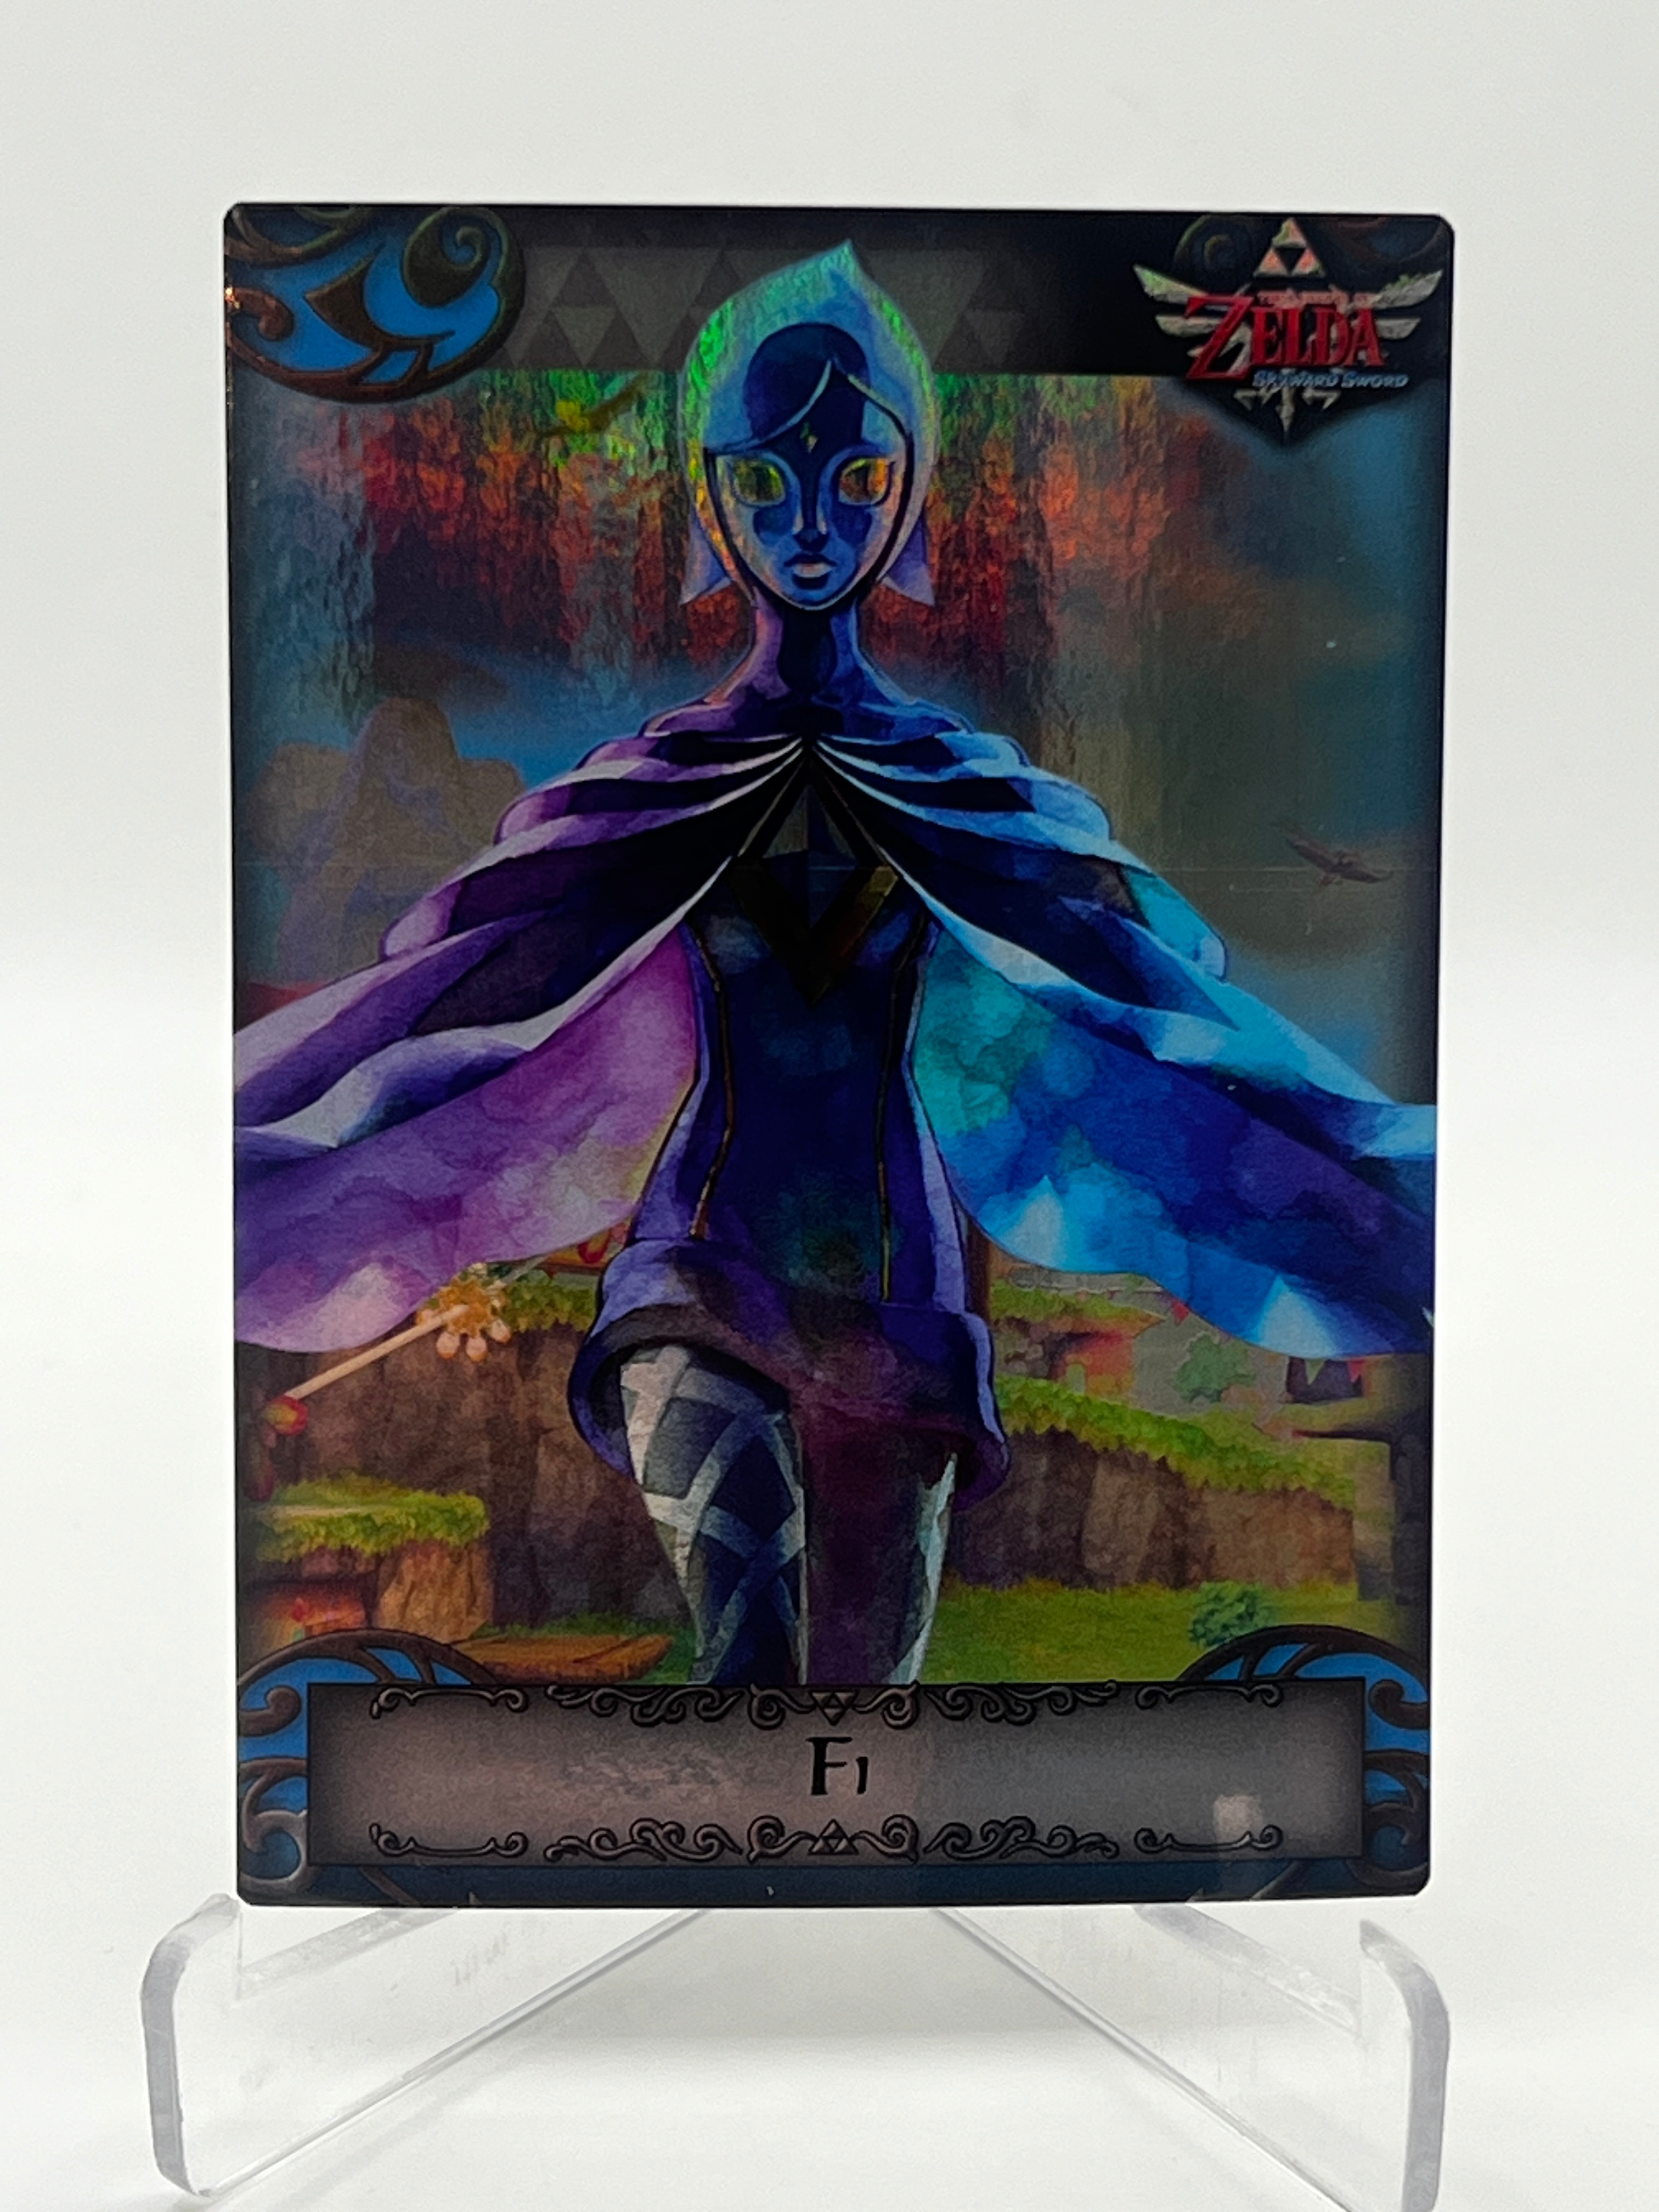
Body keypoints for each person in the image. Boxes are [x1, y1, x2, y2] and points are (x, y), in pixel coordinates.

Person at [235, 246, 1433, 1687]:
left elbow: (1154, 1016)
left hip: (903, 1301)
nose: (809, 524)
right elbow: (461, 1010)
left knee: (867, 1704)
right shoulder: (652, 792)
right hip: (694, 1275)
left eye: (853, 478)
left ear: (908, 494)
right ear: (711, 499)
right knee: (749, 1670)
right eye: (765, 479)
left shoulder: (970, 799)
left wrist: (1369, 1195)